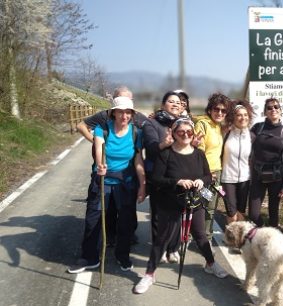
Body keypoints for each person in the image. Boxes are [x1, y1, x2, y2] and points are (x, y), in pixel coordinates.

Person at [133, 118, 228, 294]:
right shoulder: (166, 154)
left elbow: (208, 176)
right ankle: (149, 274)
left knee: (200, 235)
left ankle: (211, 263)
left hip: (194, 202)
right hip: (170, 203)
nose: (185, 135)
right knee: (162, 238)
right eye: (181, 132)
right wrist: (177, 181)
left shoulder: (199, 154)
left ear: (193, 133)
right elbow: (156, 179)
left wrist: (201, 180)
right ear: (174, 133)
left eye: (189, 132)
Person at [68, 96, 146, 273]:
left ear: (132, 114)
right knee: (93, 220)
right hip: (103, 179)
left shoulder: (136, 133)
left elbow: (138, 160)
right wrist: (100, 165)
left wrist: (142, 185)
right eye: (120, 111)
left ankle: (123, 255)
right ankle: (89, 258)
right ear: (113, 113)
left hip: (126, 183)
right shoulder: (102, 130)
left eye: (128, 112)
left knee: (126, 222)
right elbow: (98, 148)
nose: (124, 115)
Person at [142, 91, 182, 264]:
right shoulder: (151, 123)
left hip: (179, 173)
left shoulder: (182, 123)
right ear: (163, 104)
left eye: (178, 102)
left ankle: (174, 247)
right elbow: (150, 149)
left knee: (177, 213)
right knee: (159, 215)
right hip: (158, 176)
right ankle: (161, 249)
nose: (175, 104)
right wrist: (164, 144)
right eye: (171, 101)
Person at [249, 98, 283, 228]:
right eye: (269, 108)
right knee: (253, 214)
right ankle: (262, 230)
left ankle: (272, 238)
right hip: (258, 176)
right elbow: (244, 140)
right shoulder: (257, 128)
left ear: (280, 110)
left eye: (276, 107)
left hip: (277, 178)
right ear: (265, 112)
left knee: (273, 214)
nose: (273, 109)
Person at [194, 93, 231, 238]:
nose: (220, 113)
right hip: (204, 173)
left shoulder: (218, 126)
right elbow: (199, 152)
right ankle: (194, 236)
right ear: (210, 110)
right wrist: (207, 174)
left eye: (223, 111)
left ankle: (206, 237)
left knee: (210, 207)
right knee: (199, 206)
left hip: (217, 172)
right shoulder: (202, 124)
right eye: (217, 109)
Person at [221, 100, 254, 224]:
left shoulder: (251, 136)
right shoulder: (226, 133)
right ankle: (232, 237)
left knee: (241, 212)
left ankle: (239, 238)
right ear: (233, 117)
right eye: (239, 115)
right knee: (232, 213)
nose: (242, 118)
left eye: (245, 115)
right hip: (227, 179)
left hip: (245, 179)